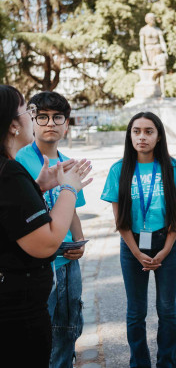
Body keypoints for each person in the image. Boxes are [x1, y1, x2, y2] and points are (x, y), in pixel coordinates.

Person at [0, 85, 91, 367]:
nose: (38, 118)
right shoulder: (11, 170)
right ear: (14, 125)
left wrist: (38, 189)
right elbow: (46, 243)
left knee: (68, 327)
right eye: (30, 112)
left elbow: (13, 215)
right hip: (18, 310)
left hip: (20, 299)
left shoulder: (9, 169)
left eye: (57, 117)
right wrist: (69, 189)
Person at [101, 112, 176, 368]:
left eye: (149, 131)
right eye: (137, 131)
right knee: (136, 311)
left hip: (168, 244)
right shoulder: (118, 170)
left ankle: (167, 363)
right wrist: (136, 252)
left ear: (159, 136)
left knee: (166, 309)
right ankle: (139, 364)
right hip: (132, 245)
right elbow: (120, 221)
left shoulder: (173, 168)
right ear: (129, 135)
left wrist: (164, 250)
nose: (142, 137)